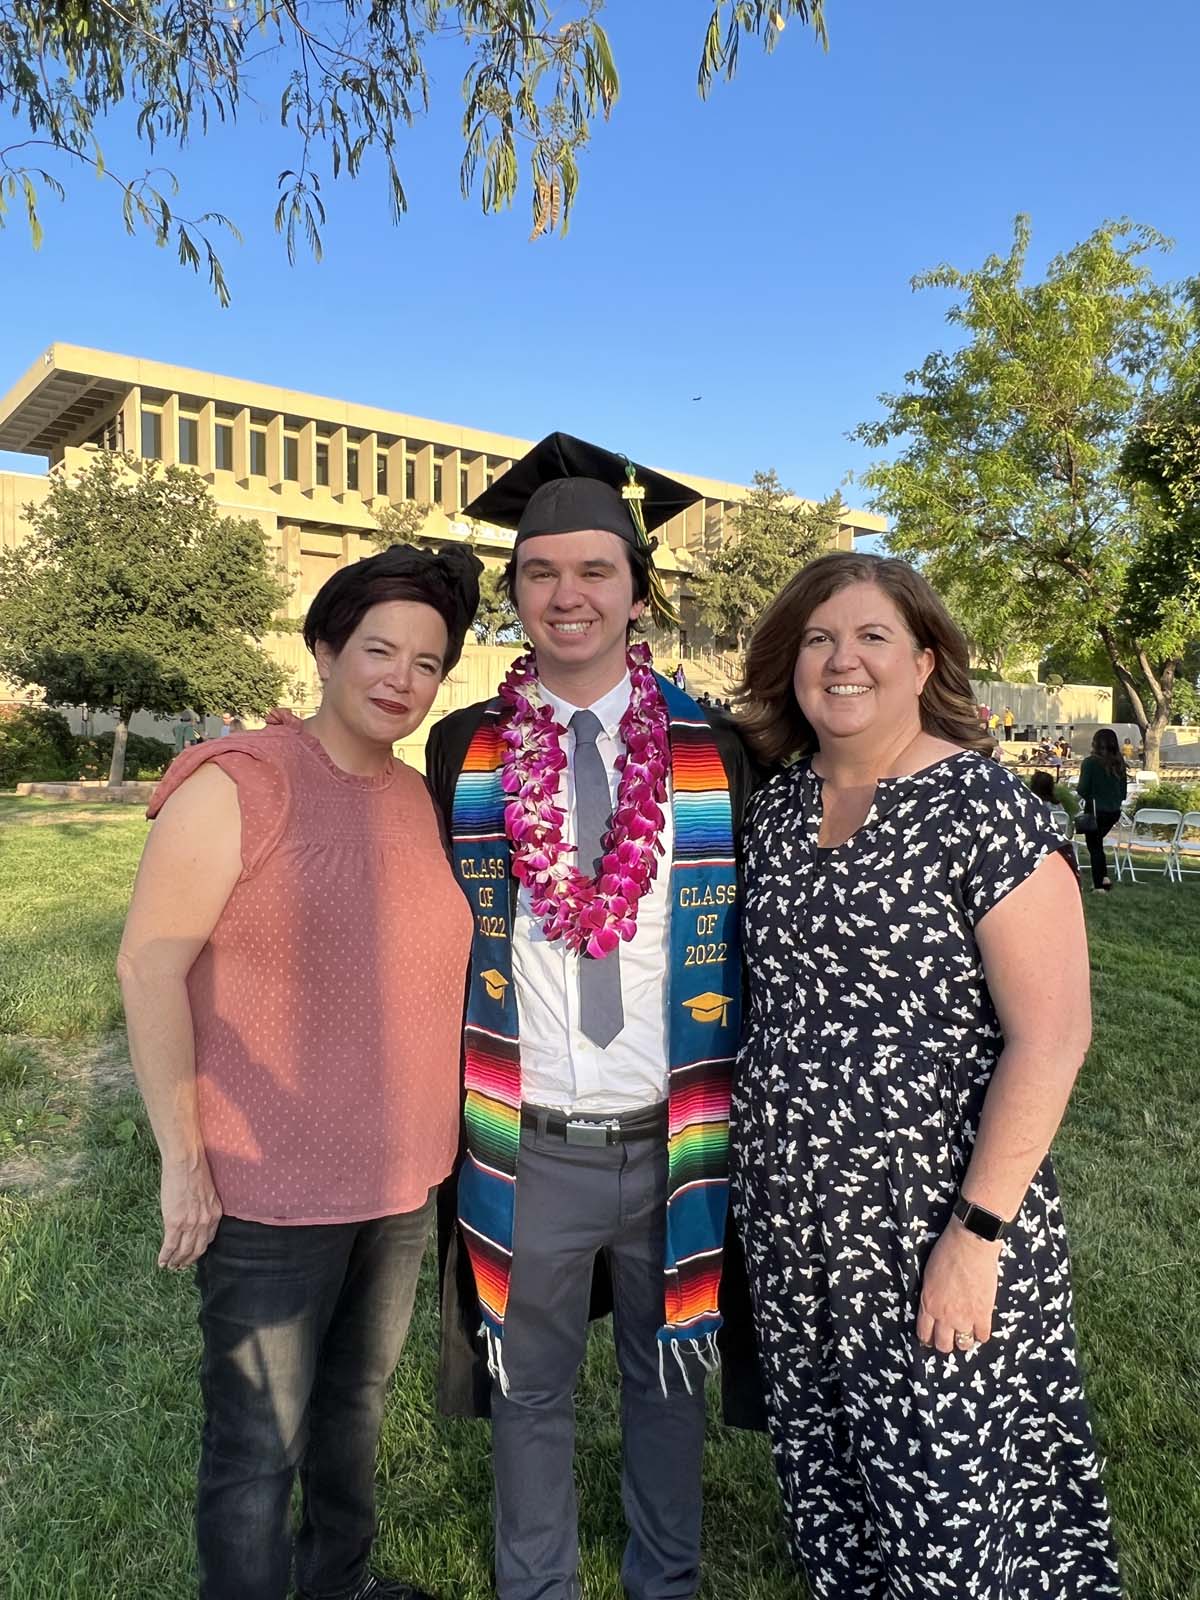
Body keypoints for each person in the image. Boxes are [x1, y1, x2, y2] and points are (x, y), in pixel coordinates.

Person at [731, 551, 1121, 1599]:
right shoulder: (773, 810)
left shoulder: (985, 812)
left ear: (925, 658)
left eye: (869, 637)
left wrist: (978, 1235)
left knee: (952, 1489)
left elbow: (1053, 1036)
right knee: (829, 1474)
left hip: (933, 1218)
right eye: (817, 638)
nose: (840, 659)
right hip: (796, 1222)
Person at [425, 433, 763, 1600]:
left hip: (679, 1132)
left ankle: (665, 1581)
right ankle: (539, 1587)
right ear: (514, 592)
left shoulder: (720, 748)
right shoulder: (460, 749)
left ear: (637, 588)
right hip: (528, 1135)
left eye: (594, 571)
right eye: (539, 572)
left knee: (670, 1382)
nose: (566, 595)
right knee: (529, 1390)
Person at [117, 543, 482, 1600]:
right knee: (254, 1449)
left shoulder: (418, 800)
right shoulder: (243, 780)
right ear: (324, 648)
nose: (399, 679)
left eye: (425, 662)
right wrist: (183, 1160)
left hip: (398, 1182)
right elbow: (149, 962)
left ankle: (339, 1582)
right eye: (377, 648)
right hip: (271, 1192)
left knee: (352, 1407)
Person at [1077, 729, 1129, 893]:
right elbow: (1123, 792)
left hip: (1095, 810)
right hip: (1113, 811)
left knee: (1094, 847)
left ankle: (1100, 884)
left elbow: (1083, 789)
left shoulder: (1090, 762)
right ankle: (1104, 877)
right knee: (1097, 844)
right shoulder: (1119, 763)